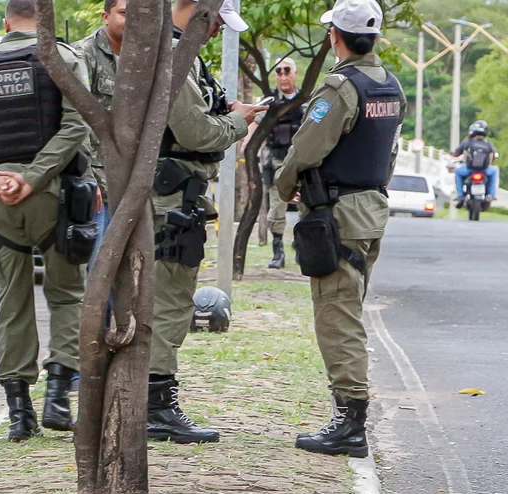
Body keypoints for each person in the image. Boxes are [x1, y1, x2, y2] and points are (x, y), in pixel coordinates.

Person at [0, 0, 91, 442]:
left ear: (6, 23)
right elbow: (77, 124)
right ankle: (59, 398)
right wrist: (33, 176)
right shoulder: (63, 58)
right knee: (66, 296)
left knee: (12, 300)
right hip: (54, 198)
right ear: (43, 20)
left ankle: (19, 414)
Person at [273, 0, 403, 458]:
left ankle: (350, 424)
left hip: (339, 215)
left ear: (336, 37)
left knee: (338, 317)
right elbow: (388, 155)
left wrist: (283, 185)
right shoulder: (390, 85)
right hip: (371, 210)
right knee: (349, 310)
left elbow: (305, 148)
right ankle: (349, 419)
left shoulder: (340, 88)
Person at [148, 0, 265, 444]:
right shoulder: (174, 56)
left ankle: (155, 399)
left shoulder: (180, 54)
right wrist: (237, 121)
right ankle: (156, 405)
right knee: (171, 300)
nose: (217, 30)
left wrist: (227, 113)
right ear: (195, 9)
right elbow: (195, 132)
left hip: (178, 193)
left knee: (169, 296)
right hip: (171, 197)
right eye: (216, 20)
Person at [74, 0, 126, 263]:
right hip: (95, 183)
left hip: (128, 181)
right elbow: (74, 118)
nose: (130, 21)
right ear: (106, 16)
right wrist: (86, 178)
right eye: (123, 13)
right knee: (96, 269)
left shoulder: (142, 55)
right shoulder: (84, 54)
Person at [263, 57, 304, 269]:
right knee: (276, 210)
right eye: (278, 72)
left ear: (295, 74)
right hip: (277, 162)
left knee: (306, 207)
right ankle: (277, 252)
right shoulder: (270, 101)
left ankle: (302, 248)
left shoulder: (305, 101)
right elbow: (256, 125)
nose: (283, 76)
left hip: (301, 163)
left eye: (287, 71)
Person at [452, 121, 497, 207]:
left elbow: (458, 154)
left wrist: (454, 156)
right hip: (484, 170)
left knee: (458, 172)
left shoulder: (467, 142)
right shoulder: (488, 144)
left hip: (469, 169)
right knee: (494, 171)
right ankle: (490, 194)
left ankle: (460, 195)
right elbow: (492, 158)